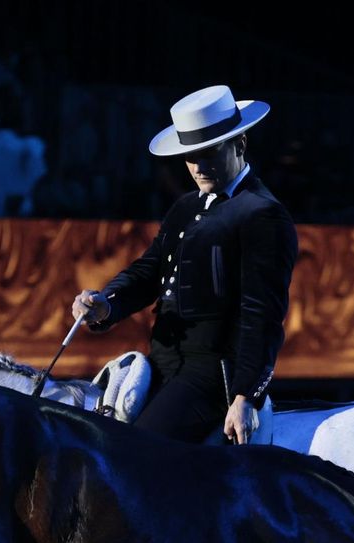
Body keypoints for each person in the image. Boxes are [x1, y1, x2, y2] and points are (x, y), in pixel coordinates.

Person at [71, 85, 298, 445]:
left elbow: (262, 314)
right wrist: (107, 304)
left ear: (239, 145)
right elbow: (149, 271)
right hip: (161, 363)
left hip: (212, 375)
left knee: (135, 452)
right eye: (191, 157)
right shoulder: (186, 205)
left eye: (210, 154)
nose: (199, 167)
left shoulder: (262, 214)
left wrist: (245, 395)